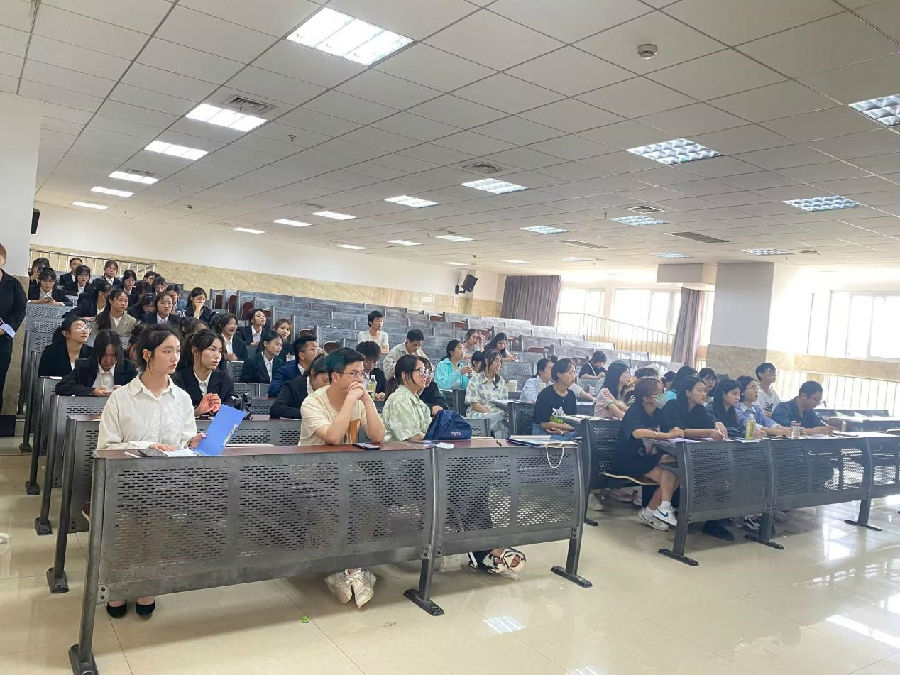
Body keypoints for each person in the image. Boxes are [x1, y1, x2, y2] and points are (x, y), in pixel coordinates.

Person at [98, 324, 205, 618]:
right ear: (147, 355)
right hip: (127, 482)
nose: (175, 357)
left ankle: (147, 585)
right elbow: (106, 446)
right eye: (167, 351)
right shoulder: (121, 398)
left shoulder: (182, 398)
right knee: (126, 536)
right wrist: (147, 445)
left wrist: (193, 442)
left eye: (177, 351)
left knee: (158, 536)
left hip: (166, 483)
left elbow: (183, 441)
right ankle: (117, 587)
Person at [300, 347, 385, 608]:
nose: (359, 379)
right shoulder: (312, 402)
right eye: (353, 374)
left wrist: (367, 401)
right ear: (335, 376)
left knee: (371, 502)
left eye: (362, 373)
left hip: (346, 471)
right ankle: (340, 566)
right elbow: (334, 438)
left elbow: (378, 436)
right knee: (333, 506)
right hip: (312, 472)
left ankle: (353, 565)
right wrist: (350, 402)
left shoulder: (358, 399)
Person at [659, 376, 732, 540]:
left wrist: (717, 425)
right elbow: (679, 431)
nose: (704, 394)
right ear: (687, 392)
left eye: (705, 391)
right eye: (700, 390)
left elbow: (710, 424)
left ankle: (711, 515)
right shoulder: (672, 406)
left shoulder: (699, 410)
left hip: (691, 453)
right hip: (668, 452)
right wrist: (708, 432)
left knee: (720, 469)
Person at [611, 377, 682, 531]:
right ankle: (652, 511)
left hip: (649, 458)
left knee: (674, 467)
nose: (663, 396)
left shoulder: (659, 412)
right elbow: (637, 433)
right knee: (670, 476)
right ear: (646, 398)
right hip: (629, 459)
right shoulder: (635, 411)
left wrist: (675, 430)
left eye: (663, 391)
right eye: (659, 393)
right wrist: (665, 435)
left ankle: (657, 509)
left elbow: (670, 428)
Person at [172, 329, 236, 417]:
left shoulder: (224, 380)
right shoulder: (178, 380)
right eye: (212, 349)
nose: (217, 356)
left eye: (220, 351)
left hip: (216, 426)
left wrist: (221, 409)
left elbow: (233, 411)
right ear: (195, 351)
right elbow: (171, 415)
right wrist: (197, 412)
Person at [55, 329, 137, 396]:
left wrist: (125, 391)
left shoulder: (128, 368)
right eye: (104, 355)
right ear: (97, 353)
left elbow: (140, 392)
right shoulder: (85, 366)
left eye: (113, 355)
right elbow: (61, 387)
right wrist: (92, 391)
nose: (108, 360)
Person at [381, 354, 433, 442]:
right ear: (404, 375)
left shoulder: (419, 402)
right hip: (397, 450)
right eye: (420, 371)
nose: (425, 375)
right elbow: (412, 437)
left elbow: (430, 431)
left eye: (425, 371)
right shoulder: (399, 399)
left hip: (416, 449)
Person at [0, 243, 27, 408]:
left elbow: (20, 310)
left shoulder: (13, 284)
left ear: (3, 260)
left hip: (2, 342)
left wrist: (4, 329)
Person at [465, 348, 509, 436]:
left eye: (500, 361)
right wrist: (492, 414)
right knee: (500, 421)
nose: (499, 364)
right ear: (486, 360)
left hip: (497, 415)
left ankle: (500, 443)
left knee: (503, 420)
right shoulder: (475, 379)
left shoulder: (501, 381)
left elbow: (504, 403)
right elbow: (474, 405)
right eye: (496, 360)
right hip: (479, 413)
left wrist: (498, 415)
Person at [531, 358, 578, 439]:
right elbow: (543, 424)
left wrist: (564, 431)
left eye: (574, 373)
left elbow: (572, 420)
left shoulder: (571, 395)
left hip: (564, 433)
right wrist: (565, 427)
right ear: (559, 374)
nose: (574, 376)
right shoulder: (546, 394)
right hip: (544, 433)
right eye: (570, 373)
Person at [521, 357, 595, 405]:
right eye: (551, 368)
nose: (553, 370)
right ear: (540, 371)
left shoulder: (553, 384)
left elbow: (575, 389)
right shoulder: (531, 382)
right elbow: (532, 400)